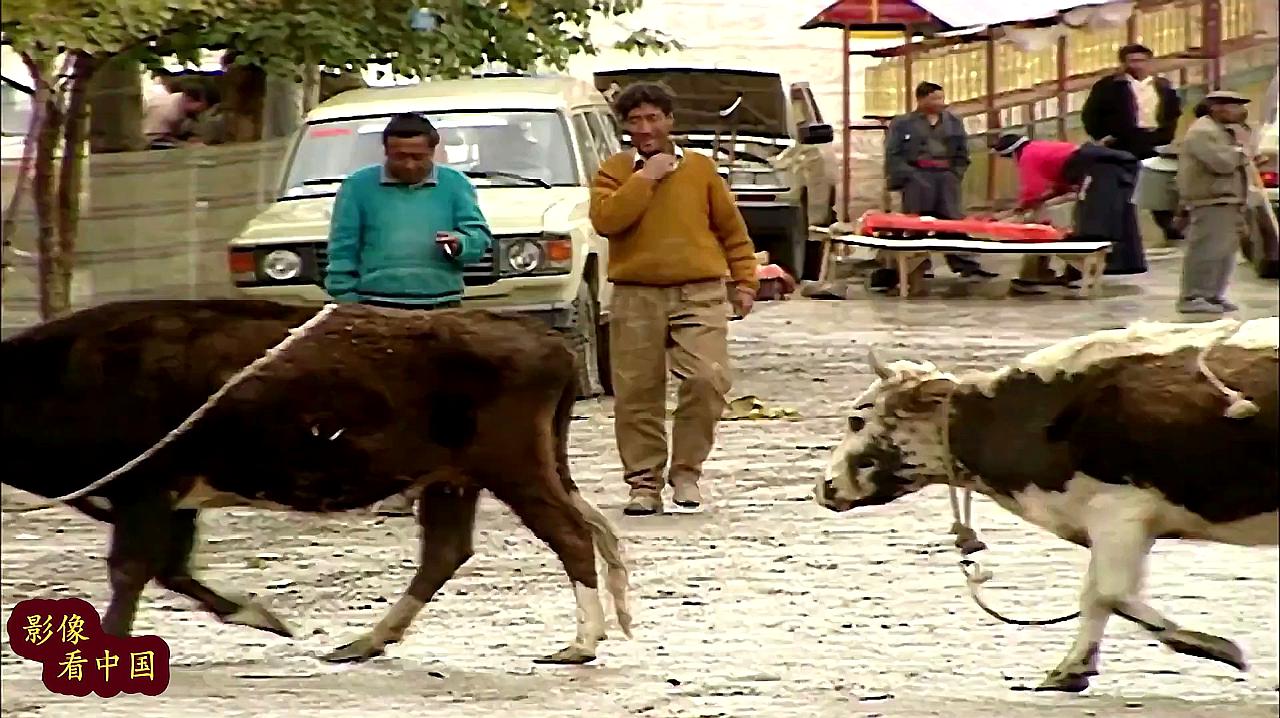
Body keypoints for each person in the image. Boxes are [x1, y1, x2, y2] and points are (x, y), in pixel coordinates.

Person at [588, 82, 759, 516]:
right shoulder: (614, 171)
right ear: (624, 126)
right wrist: (645, 177)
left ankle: (686, 471)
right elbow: (608, 221)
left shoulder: (701, 169)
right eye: (635, 120)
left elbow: (731, 230)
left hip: (698, 291)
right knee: (637, 393)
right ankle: (643, 485)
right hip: (635, 295)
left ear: (670, 121)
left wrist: (745, 282)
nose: (645, 128)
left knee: (708, 378)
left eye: (653, 118)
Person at [325, 112, 495, 513]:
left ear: (434, 152)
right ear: (385, 152)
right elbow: (342, 247)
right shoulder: (358, 188)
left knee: (437, 402)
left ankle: (433, 480)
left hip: (439, 308)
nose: (408, 165)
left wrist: (461, 244)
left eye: (417, 157)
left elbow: (480, 237)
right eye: (399, 156)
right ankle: (384, 483)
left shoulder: (454, 185)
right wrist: (346, 302)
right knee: (381, 403)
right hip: (376, 308)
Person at [876, 81, 997, 291]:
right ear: (921, 99)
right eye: (934, 98)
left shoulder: (952, 122)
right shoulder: (903, 123)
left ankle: (966, 264)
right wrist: (908, 176)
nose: (939, 103)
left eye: (941, 98)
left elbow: (961, 151)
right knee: (917, 223)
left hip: (946, 175)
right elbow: (893, 153)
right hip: (917, 175)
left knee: (952, 221)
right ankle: (916, 265)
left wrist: (955, 173)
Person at [1082, 43, 1183, 241]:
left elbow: (1173, 111)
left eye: (1141, 61)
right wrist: (1102, 136)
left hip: (1154, 140)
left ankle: (1168, 225)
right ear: (1124, 63)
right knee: (1122, 187)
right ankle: (1120, 231)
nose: (1137, 66)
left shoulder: (1161, 86)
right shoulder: (1109, 86)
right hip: (1122, 142)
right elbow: (1091, 114)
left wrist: (1166, 134)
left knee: (1158, 185)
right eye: (1132, 61)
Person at [1175, 90, 1254, 314]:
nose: (1241, 112)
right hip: (1211, 198)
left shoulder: (1224, 131)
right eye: (1235, 107)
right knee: (1206, 250)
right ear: (1217, 108)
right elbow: (1222, 163)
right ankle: (1193, 296)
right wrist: (1242, 151)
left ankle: (1212, 295)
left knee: (1223, 252)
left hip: (1229, 198)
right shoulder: (1203, 131)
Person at [989, 133, 1085, 293]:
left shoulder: (1028, 156)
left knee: (1039, 226)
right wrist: (1017, 210)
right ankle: (1068, 273)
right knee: (1056, 221)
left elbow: (1032, 191)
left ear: (1011, 153)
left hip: (1091, 181)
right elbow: (1057, 187)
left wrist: (1017, 212)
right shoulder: (1040, 148)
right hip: (1091, 179)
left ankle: (1033, 276)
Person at [142, 80, 212, 149]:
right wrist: (184, 144)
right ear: (189, 99)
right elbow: (156, 137)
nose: (203, 110)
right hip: (153, 141)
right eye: (202, 106)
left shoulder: (179, 101)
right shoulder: (166, 109)